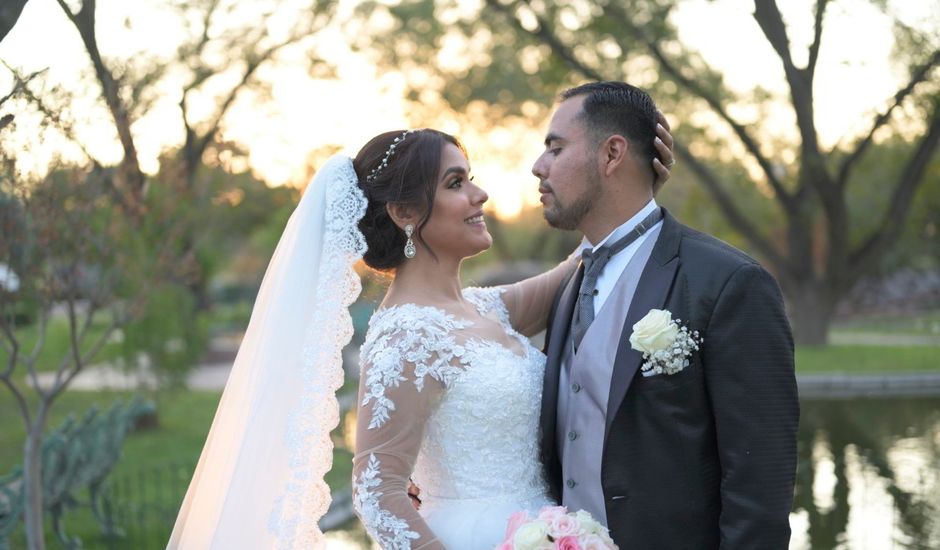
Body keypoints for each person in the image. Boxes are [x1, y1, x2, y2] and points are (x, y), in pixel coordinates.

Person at [167, 124, 673, 549]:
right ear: (405, 213)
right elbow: (377, 491)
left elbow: (582, 263)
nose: (480, 195)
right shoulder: (407, 335)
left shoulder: (485, 307)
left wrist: (631, 189)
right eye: (456, 183)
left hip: (545, 529)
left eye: (469, 178)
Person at [534, 81, 799, 549]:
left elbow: (761, 480)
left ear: (612, 153)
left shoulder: (729, 282)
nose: (539, 167)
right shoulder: (569, 281)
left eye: (555, 148)